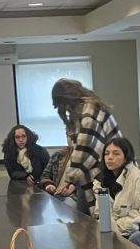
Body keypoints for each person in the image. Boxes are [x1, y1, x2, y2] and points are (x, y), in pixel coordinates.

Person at [50, 78, 121, 206]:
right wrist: (72, 183)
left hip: (109, 176)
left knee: (100, 220)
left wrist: (68, 180)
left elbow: (85, 149)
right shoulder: (82, 111)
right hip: (96, 177)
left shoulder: (89, 112)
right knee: (88, 218)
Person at [99, 136, 140, 236]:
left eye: (116, 153)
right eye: (106, 153)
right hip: (112, 232)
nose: (109, 157)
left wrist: (119, 224)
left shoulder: (137, 178)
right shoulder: (101, 180)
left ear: (126, 158)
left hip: (134, 234)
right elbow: (100, 213)